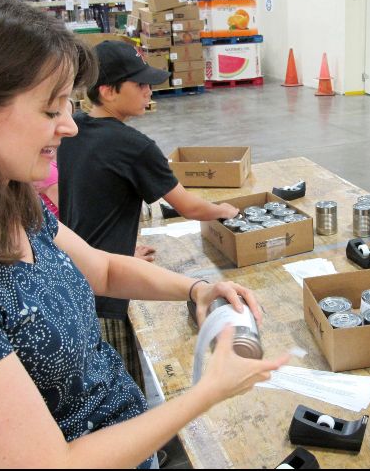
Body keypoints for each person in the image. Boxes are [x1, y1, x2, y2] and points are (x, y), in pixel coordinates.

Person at [0, 0, 287, 469]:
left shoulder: (10, 201)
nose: (70, 127)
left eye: (69, 106)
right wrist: (207, 393)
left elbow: (105, 270)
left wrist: (196, 289)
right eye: (51, 110)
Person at [57, 41, 240, 382]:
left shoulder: (72, 131)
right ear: (108, 91)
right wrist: (223, 209)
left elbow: (83, 203)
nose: (148, 91)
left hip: (75, 274)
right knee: (122, 391)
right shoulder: (134, 146)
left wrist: (119, 252)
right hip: (105, 300)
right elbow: (188, 206)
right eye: (138, 84)